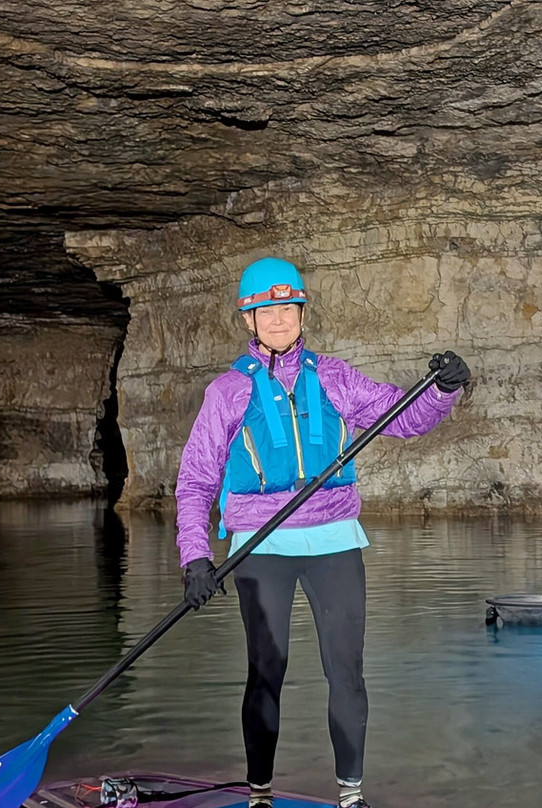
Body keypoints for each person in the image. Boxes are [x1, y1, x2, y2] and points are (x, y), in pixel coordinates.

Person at [175, 257, 469, 808]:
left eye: (288, 307)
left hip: (335, 541)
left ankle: (351, 795)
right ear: (249, 321)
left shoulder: (334, 377)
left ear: (301, 312)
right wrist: (195, 558)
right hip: (260, 548)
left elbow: (401, 416)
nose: (279, 318)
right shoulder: (226, 394)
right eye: (267, 310)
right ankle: (259, 794)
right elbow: (194, 481)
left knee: (347, 673)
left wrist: (442, 391)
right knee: (267, 671)